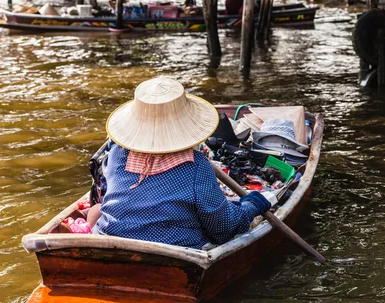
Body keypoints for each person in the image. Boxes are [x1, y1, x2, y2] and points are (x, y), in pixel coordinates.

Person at [90, 77, 273, 249]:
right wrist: (251, 206)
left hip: (107, 238)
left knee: (97, 210)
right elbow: (223, 229)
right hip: (174, 249)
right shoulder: (196, 167)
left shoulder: (116, 154)